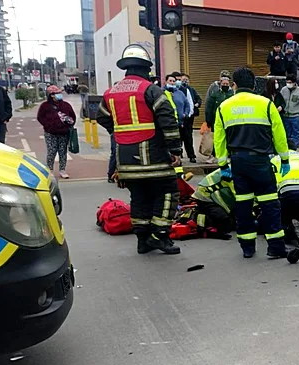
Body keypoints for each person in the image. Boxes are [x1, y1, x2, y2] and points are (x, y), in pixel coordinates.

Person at [96, 44, 182, 255]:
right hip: (154, 158)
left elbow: (101, 117)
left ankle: (142, 241)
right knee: (168, 192)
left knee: (139, 198)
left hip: (125, 159)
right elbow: (167, 120)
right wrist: (175, 150)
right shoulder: (151, 90)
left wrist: (119, 133)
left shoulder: (111, 93)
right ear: (146, 68)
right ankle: (158, 236)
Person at [213, 66, 290, 259]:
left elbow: (219, 139)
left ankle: (247, 247)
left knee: (243, 205)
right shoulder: (265, 104)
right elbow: (279, 134)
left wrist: (223, 165)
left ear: (234, 85)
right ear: (254, 85)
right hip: (261, 161)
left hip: (238, 162)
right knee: (270, 204)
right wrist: (285, 158)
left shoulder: (224, 106)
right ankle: (275, 248)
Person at [37, 85, 76, 179]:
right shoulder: (45, 106)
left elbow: (73, 116)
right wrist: (48, 125)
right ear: (51, 95)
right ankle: (49, 169)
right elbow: (40, 117)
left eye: (60, 93)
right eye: (57, 93)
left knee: (63, 152)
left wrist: (69, 124)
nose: (59, 95)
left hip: (64, 133)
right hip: (50, 133)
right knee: (51, 151)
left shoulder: (66, 105)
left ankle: (62, 170)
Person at [188, 167, 236, 236]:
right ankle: (198, 216)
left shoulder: (235, 168)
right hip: (205, 197)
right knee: (225, 223)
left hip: (214, 194)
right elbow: (238, 194)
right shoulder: (234, 174)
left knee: (233, 222)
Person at [280, 74, 299, 150]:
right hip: (285, 116)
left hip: (295, 116)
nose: (288, 84)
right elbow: (280, 101)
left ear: (294, 82)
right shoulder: (283, 90)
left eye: (290, 82)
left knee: (296, 135)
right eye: (287, 82)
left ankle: (294, 149)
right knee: (286, 134)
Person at [179, 73, 201, 163]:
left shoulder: (191, 90)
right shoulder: (177, 90)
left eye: (186, 80)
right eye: (183, 80)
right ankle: (179, 153)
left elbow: (198, 99)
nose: (185, 82)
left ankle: (191, 155)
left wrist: (197, 104)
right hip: (180, 117)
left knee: (188, 136)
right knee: (179, 137)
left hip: (189, 117)